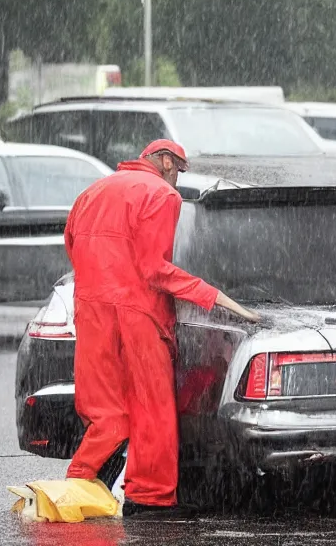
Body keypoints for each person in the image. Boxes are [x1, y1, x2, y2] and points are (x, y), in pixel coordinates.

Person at [63, 139, 261, 518]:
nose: (177, 182)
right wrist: (215, 296)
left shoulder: (92, 191)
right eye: (179, 173)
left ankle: (79, 481)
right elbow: (155, 269)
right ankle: (149, 497)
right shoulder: (161, 195)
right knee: (152, 408)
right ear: (167, 162)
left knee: (105, 409)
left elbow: (73, 247)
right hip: (138, 315)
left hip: (90, 311)